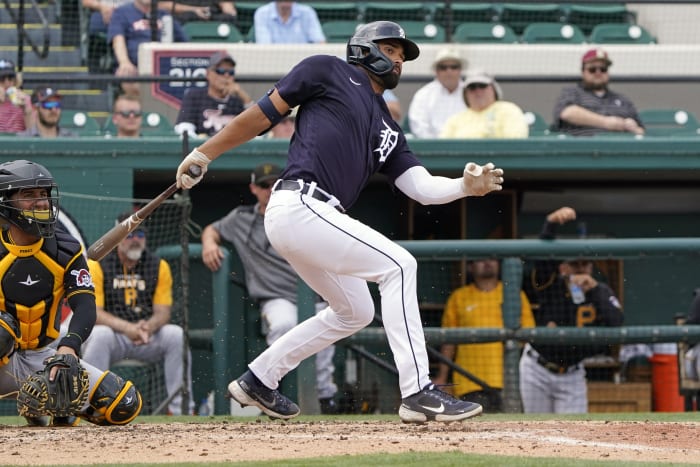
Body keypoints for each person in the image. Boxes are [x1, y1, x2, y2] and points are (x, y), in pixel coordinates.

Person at [175, 20, 504, 423]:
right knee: (400, 265)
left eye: (402, 56)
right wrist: (204, 154)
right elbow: (261, 116)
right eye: (390, 50)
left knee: (355, 311)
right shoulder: (326, 70)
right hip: (301, 202)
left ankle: (259, 379)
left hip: (314, 217)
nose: (397, 60)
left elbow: (418, 185)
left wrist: (464, 187)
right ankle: (418, 391)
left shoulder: (387, 124)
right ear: (364, 48)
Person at [0, 159, 142, 426]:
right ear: (5, 201)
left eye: (43, 195)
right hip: (2, 359)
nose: (41, 202)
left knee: (123, 404)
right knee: (1, 330)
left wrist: (69, 347)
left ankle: (46, 400)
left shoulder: (66, 249)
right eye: (29, 195)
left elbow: (85, 306)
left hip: (43, 357)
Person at [201, 162, 338, 413]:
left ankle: (326, 399)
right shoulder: (241, 219)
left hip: (312, 291)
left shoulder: (299, 213)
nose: (269, 190)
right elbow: (212, 229)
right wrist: (209, 243)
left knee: (328, 328)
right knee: (284, 325)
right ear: (253, 188)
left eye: (275, 184)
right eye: (264, 186)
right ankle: (272, 389)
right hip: (276, 297)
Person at [82, 212, 194, 415]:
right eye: (129, 235)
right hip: (114, 337)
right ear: (116, 238)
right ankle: (90, 406)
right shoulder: (98, 264)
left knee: (175, 334)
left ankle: (181, 410)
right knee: (100, 335)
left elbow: (163, 312)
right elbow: (94, 313)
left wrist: (147, 327)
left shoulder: (158, 265)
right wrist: (128, 328)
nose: (135, 240)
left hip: (145, 336)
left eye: (139, 234)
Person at [520, 206, 624, 413]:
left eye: (585, 265)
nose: (581, 270)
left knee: (575, 429)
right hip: (537, 367)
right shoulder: (552, 285)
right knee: (536, 430)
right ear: (563, 268)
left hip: (572, 372)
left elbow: (617, 323)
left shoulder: (600, 291)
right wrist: (549, 225)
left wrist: (594, 290)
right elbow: (542, 262)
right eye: (575, 265)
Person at [434, 259, 535, 413]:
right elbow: (448, 343)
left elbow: (528, 336)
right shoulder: (459, 297)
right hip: (468, 381)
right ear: (470, 267)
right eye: (480, 260)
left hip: (509, 381)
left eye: (492, 259)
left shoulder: (514, 294)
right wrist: (442, 378)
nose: (487, 263)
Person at [552, 48, 645, 136]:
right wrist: (606, 122)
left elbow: (642, 132)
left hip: (620, 149)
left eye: (603, 69)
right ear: (583, 72)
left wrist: (633, 128)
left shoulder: (623, 100)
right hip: (583, 148)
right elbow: (567, 113)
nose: (598, 73)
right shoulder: (572, 92)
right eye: (592, 69)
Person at [108, 0, 188, 96]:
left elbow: (184, 43)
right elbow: (118, 39)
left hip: (164, 68)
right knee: (126, 74)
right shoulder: (122, 12)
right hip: (135, 67)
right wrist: (124, 62)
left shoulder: (164, 15)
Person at [174, 51, 252, 138]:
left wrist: (244, 97)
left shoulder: (238, 101)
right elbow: (184, 129)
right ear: (208, 74)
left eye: (231, 72)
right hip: (203, 149)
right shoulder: (194, 96)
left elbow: (256, 128)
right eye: (220, 71)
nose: (226, 75)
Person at [440, 69, 528, 139]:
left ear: (493, 89)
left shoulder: (509, 110)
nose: (477, 91)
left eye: (482, 86)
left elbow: (515, 143)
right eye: (472, 87)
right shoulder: (455, 120)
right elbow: (443, 149)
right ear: (465, 93)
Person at [407, 47, 466, 139]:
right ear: (436, 71)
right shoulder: (423, 95)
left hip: (465, 146)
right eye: (443, 67)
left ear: (460, 70)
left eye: (454, 67)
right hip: (431, 149)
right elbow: (419, 128)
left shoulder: (472, 92)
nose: (449, 71)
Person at [253, 1, 325, 44]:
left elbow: (320, 42)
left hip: (303, 63)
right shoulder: (262, 13)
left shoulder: (308, 12)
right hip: (273, 61)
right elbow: (265, 47)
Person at [0, 59, 32, 133]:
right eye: (1, 79)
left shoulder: (24, 98)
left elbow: (31, 131)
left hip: (18, 141)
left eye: (10, 78)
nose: (7, 83)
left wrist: (25, 108)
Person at [171, 0, 238, 24]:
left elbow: (227, 6)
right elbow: (163, 5)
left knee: (230, 17)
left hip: (212, 17)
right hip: (185, 18)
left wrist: (227, 6)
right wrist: (194, 9)